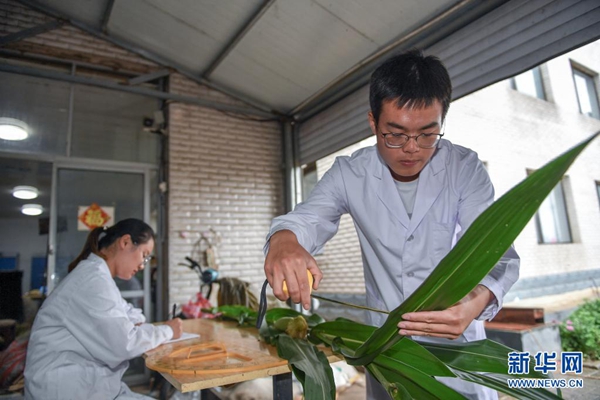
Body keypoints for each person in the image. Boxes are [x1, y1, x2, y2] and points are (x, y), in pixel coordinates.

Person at [263, 49, 520, 399]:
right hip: (389, 358)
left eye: (428, 134)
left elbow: (499, 255)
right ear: (374, 123)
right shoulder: (350, 173)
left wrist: (475, 301)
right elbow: (306, 219)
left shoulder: (464, 169)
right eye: (395, 134)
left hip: (456, 354)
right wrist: (284, 240)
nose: (412, 149)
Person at [24, 218, 182, 400]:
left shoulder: (98, 276)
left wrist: (132, 326)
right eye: (144, 255)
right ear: (125, 242)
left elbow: (132, 313)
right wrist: (168, 330)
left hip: (91, 386)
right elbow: (125, 344)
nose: (142, 265)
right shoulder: (93, 280)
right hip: (65, 390)